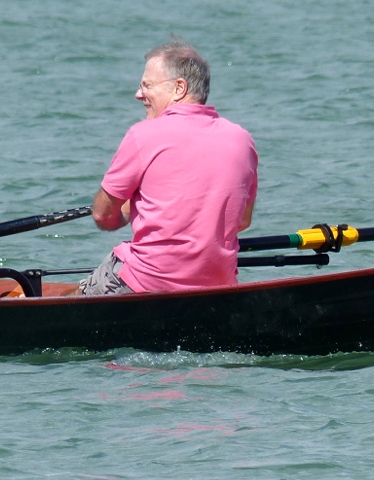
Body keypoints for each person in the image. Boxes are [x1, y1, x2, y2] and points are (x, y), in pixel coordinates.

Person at [78, 41, 258, 295]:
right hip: (217, 285)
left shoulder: (143, 135)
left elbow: (103, 216)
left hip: (146, 282)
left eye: (146, 85)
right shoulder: (242, 140)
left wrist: (128, 212)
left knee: (64, 303)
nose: (138, 94)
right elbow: (241, 220)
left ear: (179, 88)